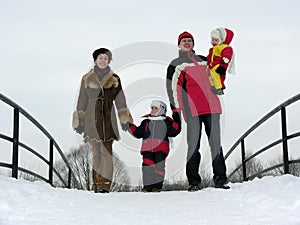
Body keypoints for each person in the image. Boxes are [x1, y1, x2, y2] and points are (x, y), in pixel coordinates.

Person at [166, 31, 229, 191]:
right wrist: (176, 111)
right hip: (193, 110)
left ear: (193, 44)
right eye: (184, 41)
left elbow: (219, 68)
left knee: (216, 144)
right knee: (193, 146)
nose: (187, 43)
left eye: (189, 40)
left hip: (213, 108)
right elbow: (174, 89)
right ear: (179, 44)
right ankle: (194, 182)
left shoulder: (204, 60)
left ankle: (220, 179)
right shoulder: (176, 64)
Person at [72, 47, 133, 193]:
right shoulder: (86, 78)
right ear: (95, 60)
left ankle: (105, 184)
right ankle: (96, 184)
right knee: (96, 152)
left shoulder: (115, 79)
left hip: (108, 117)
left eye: (106, 58)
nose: (103, 60)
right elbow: (81, 100)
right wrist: (79, 119)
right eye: (101, 58)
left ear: (109, 61)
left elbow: (121, 101)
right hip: (91, 118)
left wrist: (124, 118)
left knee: (106, 151)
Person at [122, 100, 181, 192]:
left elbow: (174, 131)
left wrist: (176, 115)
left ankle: (157, 187)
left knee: (159, 168)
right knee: (147, 168)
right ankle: (147, 187)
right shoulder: (146, 122)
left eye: (155, 108)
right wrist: (129, 125)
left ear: (162, 110)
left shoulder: (166, 122)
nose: (153, 110)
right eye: (152, 108)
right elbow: (138, 133)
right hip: (147, 150)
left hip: (161, 149)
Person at [207, 27, 235, 95]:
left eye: (216, 40)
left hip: (218, 65)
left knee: (217, 76)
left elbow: (227, 53)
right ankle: (213, 86)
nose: (213, 41)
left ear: (221, 40)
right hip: (211, 65)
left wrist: (226, 58)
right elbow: (209, 57)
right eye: (212, 39)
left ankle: (219, 88)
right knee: (209, 76)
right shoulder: (212, 49)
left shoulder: (224, 47)